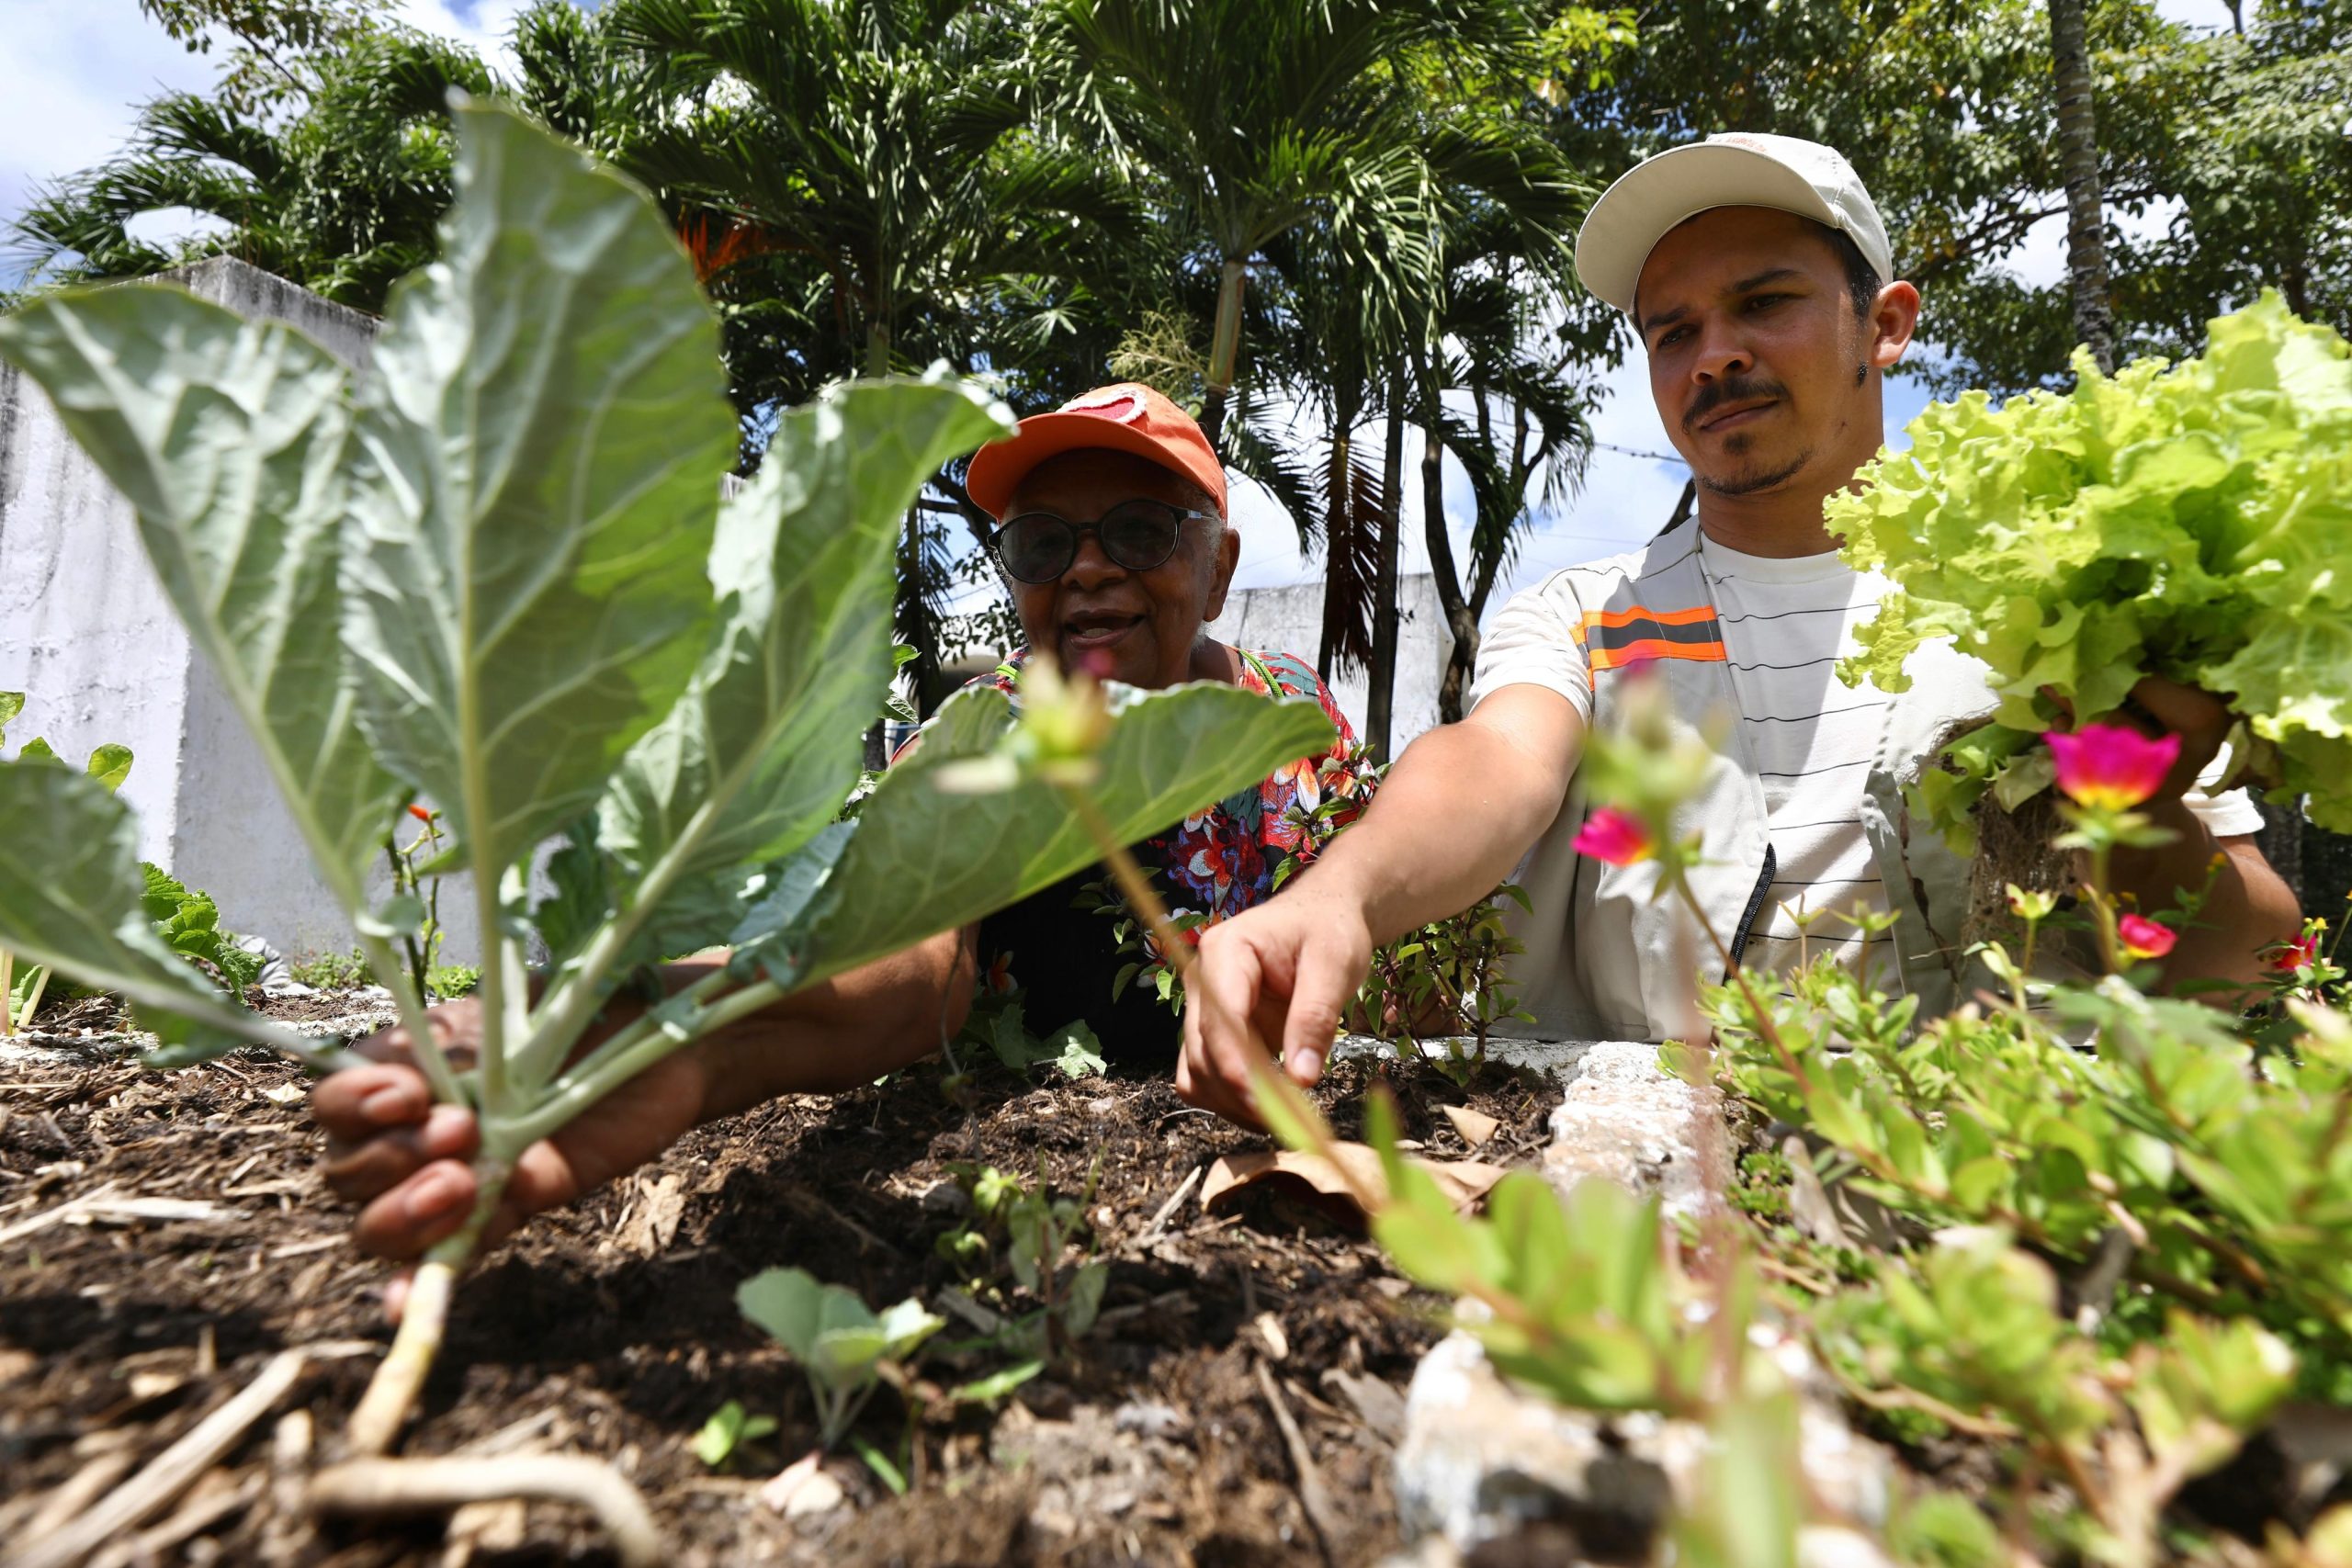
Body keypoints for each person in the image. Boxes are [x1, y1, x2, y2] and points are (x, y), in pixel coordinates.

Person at [1173, 132, 2303, 1128]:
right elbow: (1493, 762)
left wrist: (2139, 805)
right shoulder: (1589, 616)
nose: (1713, 354)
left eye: (1763, 303)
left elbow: (2248, 956)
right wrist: (1339, 893)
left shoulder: (2040, 614)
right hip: (1663, 1191)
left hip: (2006, 1195)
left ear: (1887, 324)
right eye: (1673, 332)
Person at [316, 383, 1371, 1269]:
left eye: (1138, 531)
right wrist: (661, 1016)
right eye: (1043, 544)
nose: (1087, 569)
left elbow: (1377, 918)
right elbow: (902, 954)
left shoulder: (1292, 716)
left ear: (1217, 569)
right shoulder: (988, 737)